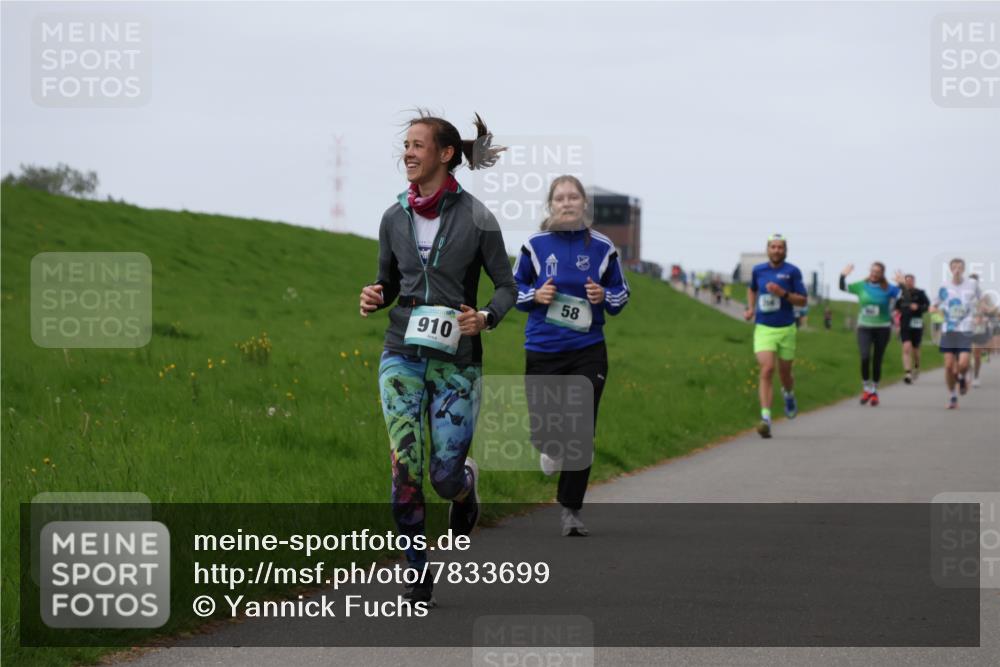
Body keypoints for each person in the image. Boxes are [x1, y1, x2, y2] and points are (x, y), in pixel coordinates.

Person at [359, 111, 516, 606]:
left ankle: (465, 487)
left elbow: (508, 286)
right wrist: (374, 294)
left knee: (442, 476)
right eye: (405, 144)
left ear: (445, 154)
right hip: (401, 353)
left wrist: (486, 317)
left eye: (417, 144)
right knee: (405, 468)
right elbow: (389, 281)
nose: (407, 152)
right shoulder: (392, 217)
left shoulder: (477, 218)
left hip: (456, 359)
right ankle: (416, 570)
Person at [513, 175, 629, 536]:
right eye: (560, 198)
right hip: (543, 350)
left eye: (573, 197)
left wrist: (602, 297)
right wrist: (536, 295)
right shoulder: (534, 245)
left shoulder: (603, 247)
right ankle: (549, 446)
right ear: (551, 205)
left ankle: (571, 511)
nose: (567, 203)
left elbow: (621, 293)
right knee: (546, 432)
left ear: (583, 205)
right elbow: (513, 290)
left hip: (587, 351)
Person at [744, 234, 808, 438]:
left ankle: (788, 395)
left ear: (785, 250)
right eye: (773, 246)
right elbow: (752, 289)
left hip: (787, 328)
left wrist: (783, 294)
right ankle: (766, 419)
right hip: (764, 328)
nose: (777, 250)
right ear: (767, 249)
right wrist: (751, 308)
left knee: (785, 374)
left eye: (780, 247)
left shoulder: (792, 272)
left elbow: (803, 301)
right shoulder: (758, 270)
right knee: (767, 369)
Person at [839, 262, 901, 406]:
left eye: (877, 272)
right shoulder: (861, 286)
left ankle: (874, 391)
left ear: (882, 274)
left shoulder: (888, 288)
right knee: (865, 356)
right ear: (870, 272)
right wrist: (843, 275)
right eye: (872, 271)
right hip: (864, 327)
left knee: (877, 359)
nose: (874, 274)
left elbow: (904, 296)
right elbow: (842, 287)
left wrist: (902, 284)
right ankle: (866, 387)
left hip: (883, 328)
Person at [929, 258, 980, 409]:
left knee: (963, 363)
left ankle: (962, 377)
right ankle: (952, 397)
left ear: (963, 269)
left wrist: (980, 314)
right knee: (948, 366)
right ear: (950, 269)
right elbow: (933, 306)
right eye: (954, 267)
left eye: (960, 267)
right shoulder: (944, 286)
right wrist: (936, 311)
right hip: (949, 330)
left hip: (965, 329)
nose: (957, 269)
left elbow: (981, 301)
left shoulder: (972, 285)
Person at [894, 273, 930, 384]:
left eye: (911, 280)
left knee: (915, 350)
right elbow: (896, 310)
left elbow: (927, 306)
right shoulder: (901, 295)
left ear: (914, 282)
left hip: (916, 323)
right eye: (907, 280)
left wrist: (918, 307)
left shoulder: (920, 293)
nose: (909, 282)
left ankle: (917, 366)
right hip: (904, 324)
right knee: (906, 347)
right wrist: (896, 324)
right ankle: (908, 373)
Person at [971, 291, 997, 388]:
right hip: (969, 332)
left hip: (981, 333)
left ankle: (976, 376)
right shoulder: (970, 306)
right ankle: (964, 370)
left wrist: (986, 317)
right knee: (965, 354)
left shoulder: (989, 309)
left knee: (977, 356)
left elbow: (994, 315)